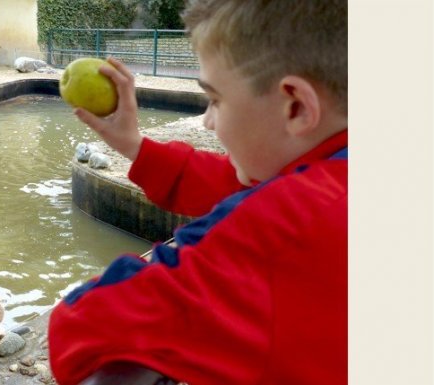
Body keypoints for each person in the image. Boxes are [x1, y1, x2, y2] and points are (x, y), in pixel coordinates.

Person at [47, 1, 348, 384]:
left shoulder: (285, 228)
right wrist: (135, 146)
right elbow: (234, 182)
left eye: (216, 100)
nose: (206, 122)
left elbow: (85, 324)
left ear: (297, 109)